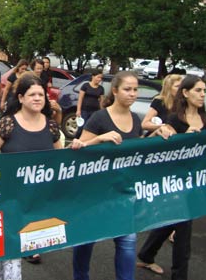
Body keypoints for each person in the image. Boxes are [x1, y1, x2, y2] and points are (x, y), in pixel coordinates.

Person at [70, 71, 171, 280]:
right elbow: (79, 150)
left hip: (122, 192)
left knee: (127, 243)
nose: (132, 94)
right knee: (86, 241)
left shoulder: (134, 118)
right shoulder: (100, 117)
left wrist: (154, 135)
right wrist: (100, 139)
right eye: (127, 89)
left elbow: (134, 150)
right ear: (115, 91)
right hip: (95, 194)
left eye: (135, 90)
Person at [0, 74, 63, 279]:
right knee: (12, 255)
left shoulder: (51, 126)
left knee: (5, 255)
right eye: (32, 94)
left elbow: (62, 160)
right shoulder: (7, 124)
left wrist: (78, 147)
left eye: (41, 94)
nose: (38, 98)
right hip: (10, 201)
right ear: (21, 98)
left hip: (38, 203)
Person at [136, 74, 206, 280]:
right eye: (198, 90)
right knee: (184, 230)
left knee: (171, 222)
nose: (203, 94)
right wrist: (184, 136)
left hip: (192, 179)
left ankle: (146, 254)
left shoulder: (205, 119)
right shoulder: (174, 118)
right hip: (173, 181)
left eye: (204, 90)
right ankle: (180, 275)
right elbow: (166, 148)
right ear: (185, 93)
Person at [75, 69, 104, 139]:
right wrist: (78, 110)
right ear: (93, 76)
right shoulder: (85, 85)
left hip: (94, 111)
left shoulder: (101, 88)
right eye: (98, 77)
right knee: (81, 127)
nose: (100, 79)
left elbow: (101, 101)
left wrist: (102, 112)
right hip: (84, 110)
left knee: (90, 129)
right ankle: (76, 140)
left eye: (101, 78)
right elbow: (80, 98)